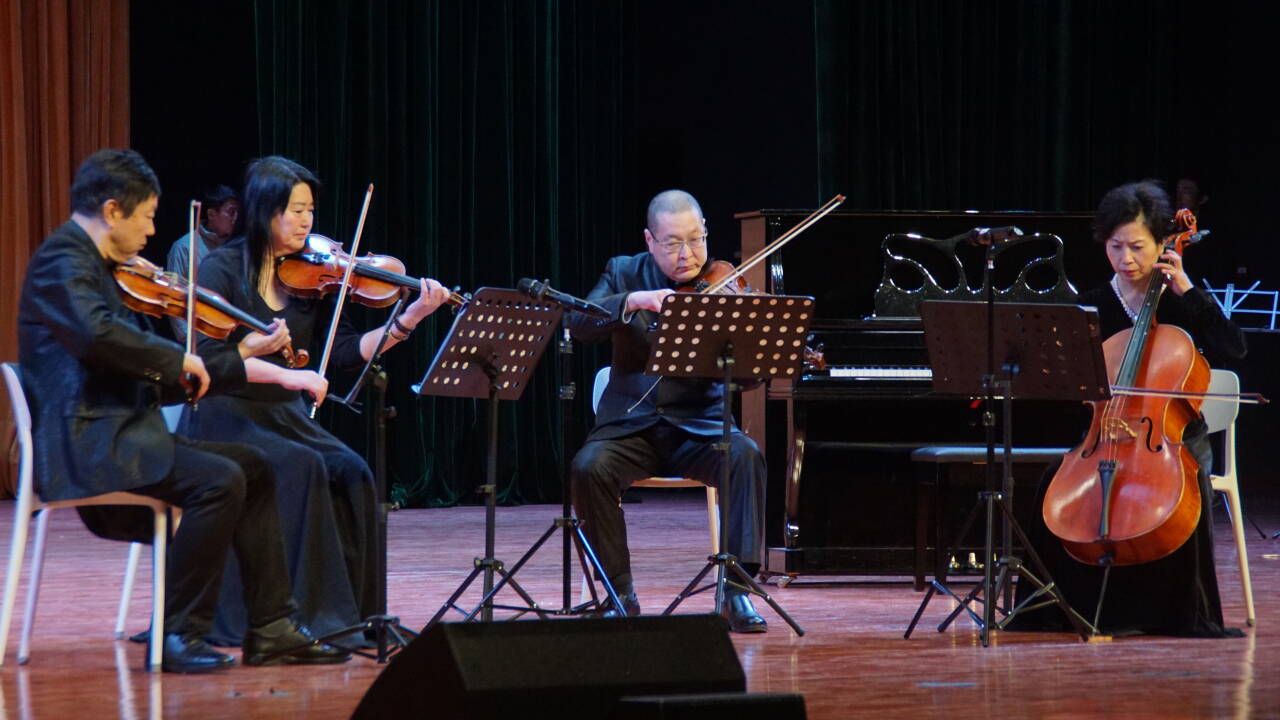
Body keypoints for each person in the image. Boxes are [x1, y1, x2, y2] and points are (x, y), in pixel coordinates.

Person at [16, 148, 349, 671]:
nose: (152, 231)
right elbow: (100, 336)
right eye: (147, 216)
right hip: (90, 444)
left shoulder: (99, 267)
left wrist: (226, 361)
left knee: (255, 467)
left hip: (120, 433)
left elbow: (128, 361)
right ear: (112, 211)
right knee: (219, 480)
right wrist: (179, 360)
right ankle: (177, 631)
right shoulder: (63, 261)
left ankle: (273, 628)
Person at [180, 155, 451, 645]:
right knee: (301, 465)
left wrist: (409, 318)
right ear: (265, 211)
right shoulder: (222, 269)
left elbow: (346, 351)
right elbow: (208, 359)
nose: (307, 221)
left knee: (353, 470)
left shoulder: (314, 279)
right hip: (225, 414)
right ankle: (288, 618)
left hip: (283, 418)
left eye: (310, 210)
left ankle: (353, 617)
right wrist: (291, 377)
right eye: (296, 210)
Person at [1011, 180, 1247, 637]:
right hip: (1103, 435)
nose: (1126, 258)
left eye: (1138, 247)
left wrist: (1187, 289)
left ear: (1162, 244)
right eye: (1116, 246)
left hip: (1173, 438)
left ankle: (1170, 612)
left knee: (1187, 485)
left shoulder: (1181, 302)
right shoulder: (1091, 306)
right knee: (1049, 483)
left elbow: (1234, 348)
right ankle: (1055, 606)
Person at [567, 189, 768, 633]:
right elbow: (579, 323)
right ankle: (619, 592)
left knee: (745, 456)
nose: (687, 255)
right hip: (631, 428)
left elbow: (751, 378)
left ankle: (736, 591)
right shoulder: (623, 272)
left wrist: (749, 357)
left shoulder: (724, 283)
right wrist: (633, 301)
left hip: (700, 427)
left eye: (696, 240)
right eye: (673, 243)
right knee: (588, 467)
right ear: (650, 240)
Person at [165, 184, 241, 339]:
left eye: (238, 212)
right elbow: (172, 298)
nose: (236, 218)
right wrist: (190, 339)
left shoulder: (238, 247)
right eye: (231, 212)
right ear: (212, 214)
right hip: (199, 338)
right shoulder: (184, 247)